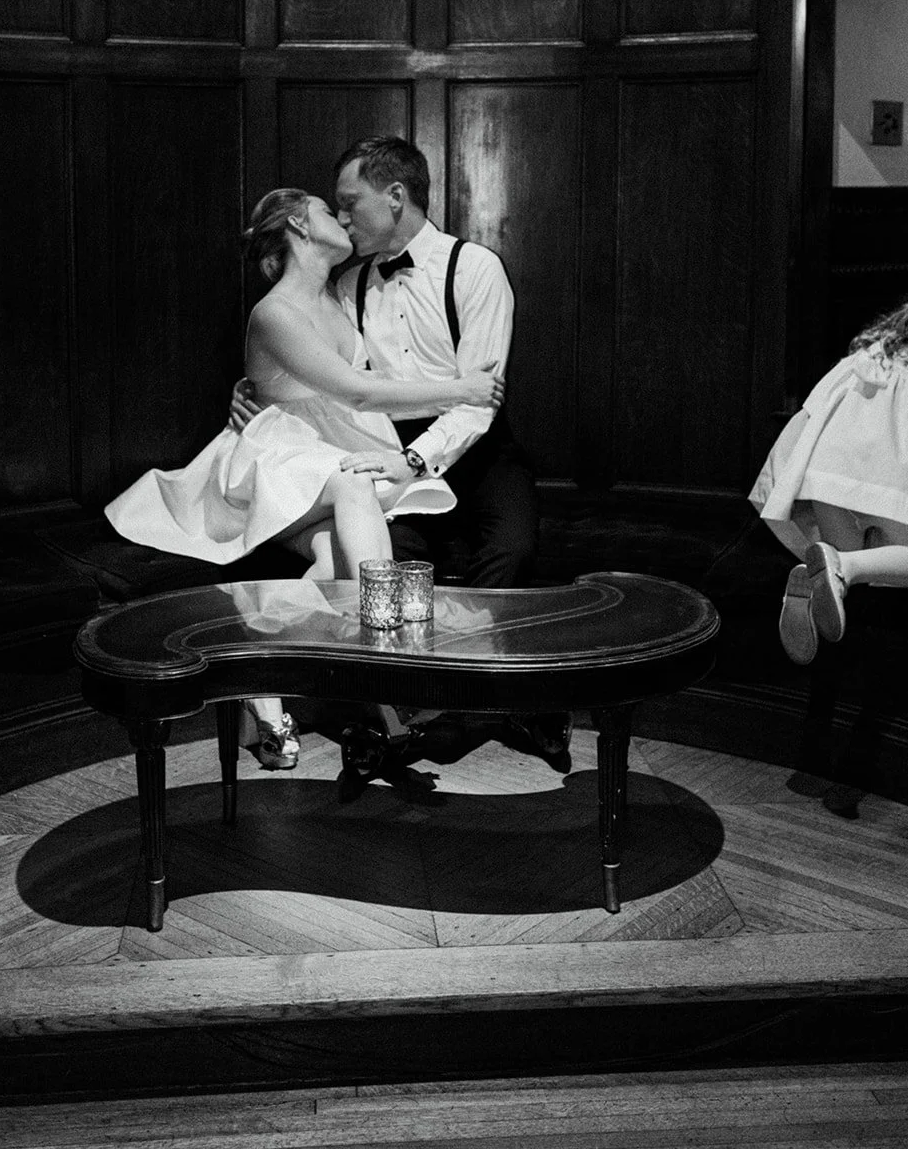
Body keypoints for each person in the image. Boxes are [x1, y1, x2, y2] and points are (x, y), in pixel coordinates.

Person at [105, 186, 504, 770]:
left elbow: (362, 392)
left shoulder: (340, 299)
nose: (341, 217)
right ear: (297, 224)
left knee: (333, 556)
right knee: (352, 482)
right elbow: (357, 392)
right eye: (326, 209)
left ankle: (255, 680)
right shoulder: (273, 313)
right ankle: (386, 648)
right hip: (273, 458)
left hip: (323, 449)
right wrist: (463, 389)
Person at [231, 138, 565, 766]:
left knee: (510, 550)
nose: (344, 216)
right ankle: (398, 697)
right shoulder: (344, 284)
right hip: (378, 444)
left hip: (475, 444)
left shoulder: (475, 269)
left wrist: (415, 461)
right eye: (334, 208)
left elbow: (478, 400)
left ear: (395, 196)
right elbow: (326, 378)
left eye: (350, 202)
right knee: (385, 557)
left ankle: (468, 701)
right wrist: (253, 392)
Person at [750, 275, 908, 665]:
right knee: (896, 563)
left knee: (845, 561)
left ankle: (819, 581)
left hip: (826, 475)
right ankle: (843, 567)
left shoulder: (883, 347)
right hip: (882, 478)